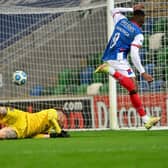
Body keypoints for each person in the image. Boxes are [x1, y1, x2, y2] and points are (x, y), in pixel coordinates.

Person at [95, 4, 160, 129]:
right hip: (118, 58)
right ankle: (109, 70)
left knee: (133, 87)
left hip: (110, 55)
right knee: (132, 86)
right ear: (140, 19)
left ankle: (146, 119)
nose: (144, 21)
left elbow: (113, 10)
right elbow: (134, 54)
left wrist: (131, 9)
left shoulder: (121, 20)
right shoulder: (138, 33)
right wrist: (143, 72)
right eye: (144, 19)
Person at [0, 106, 70, 139]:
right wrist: (59, 131)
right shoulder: (53, 112)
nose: (63, 121)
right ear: (60, 113)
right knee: (3, 110)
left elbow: (35, 136)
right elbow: (51, 118)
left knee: (2, 135)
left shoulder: (47, 128)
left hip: (22, 132)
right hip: (22, 117)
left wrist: (53, 136)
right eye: (63, 117)